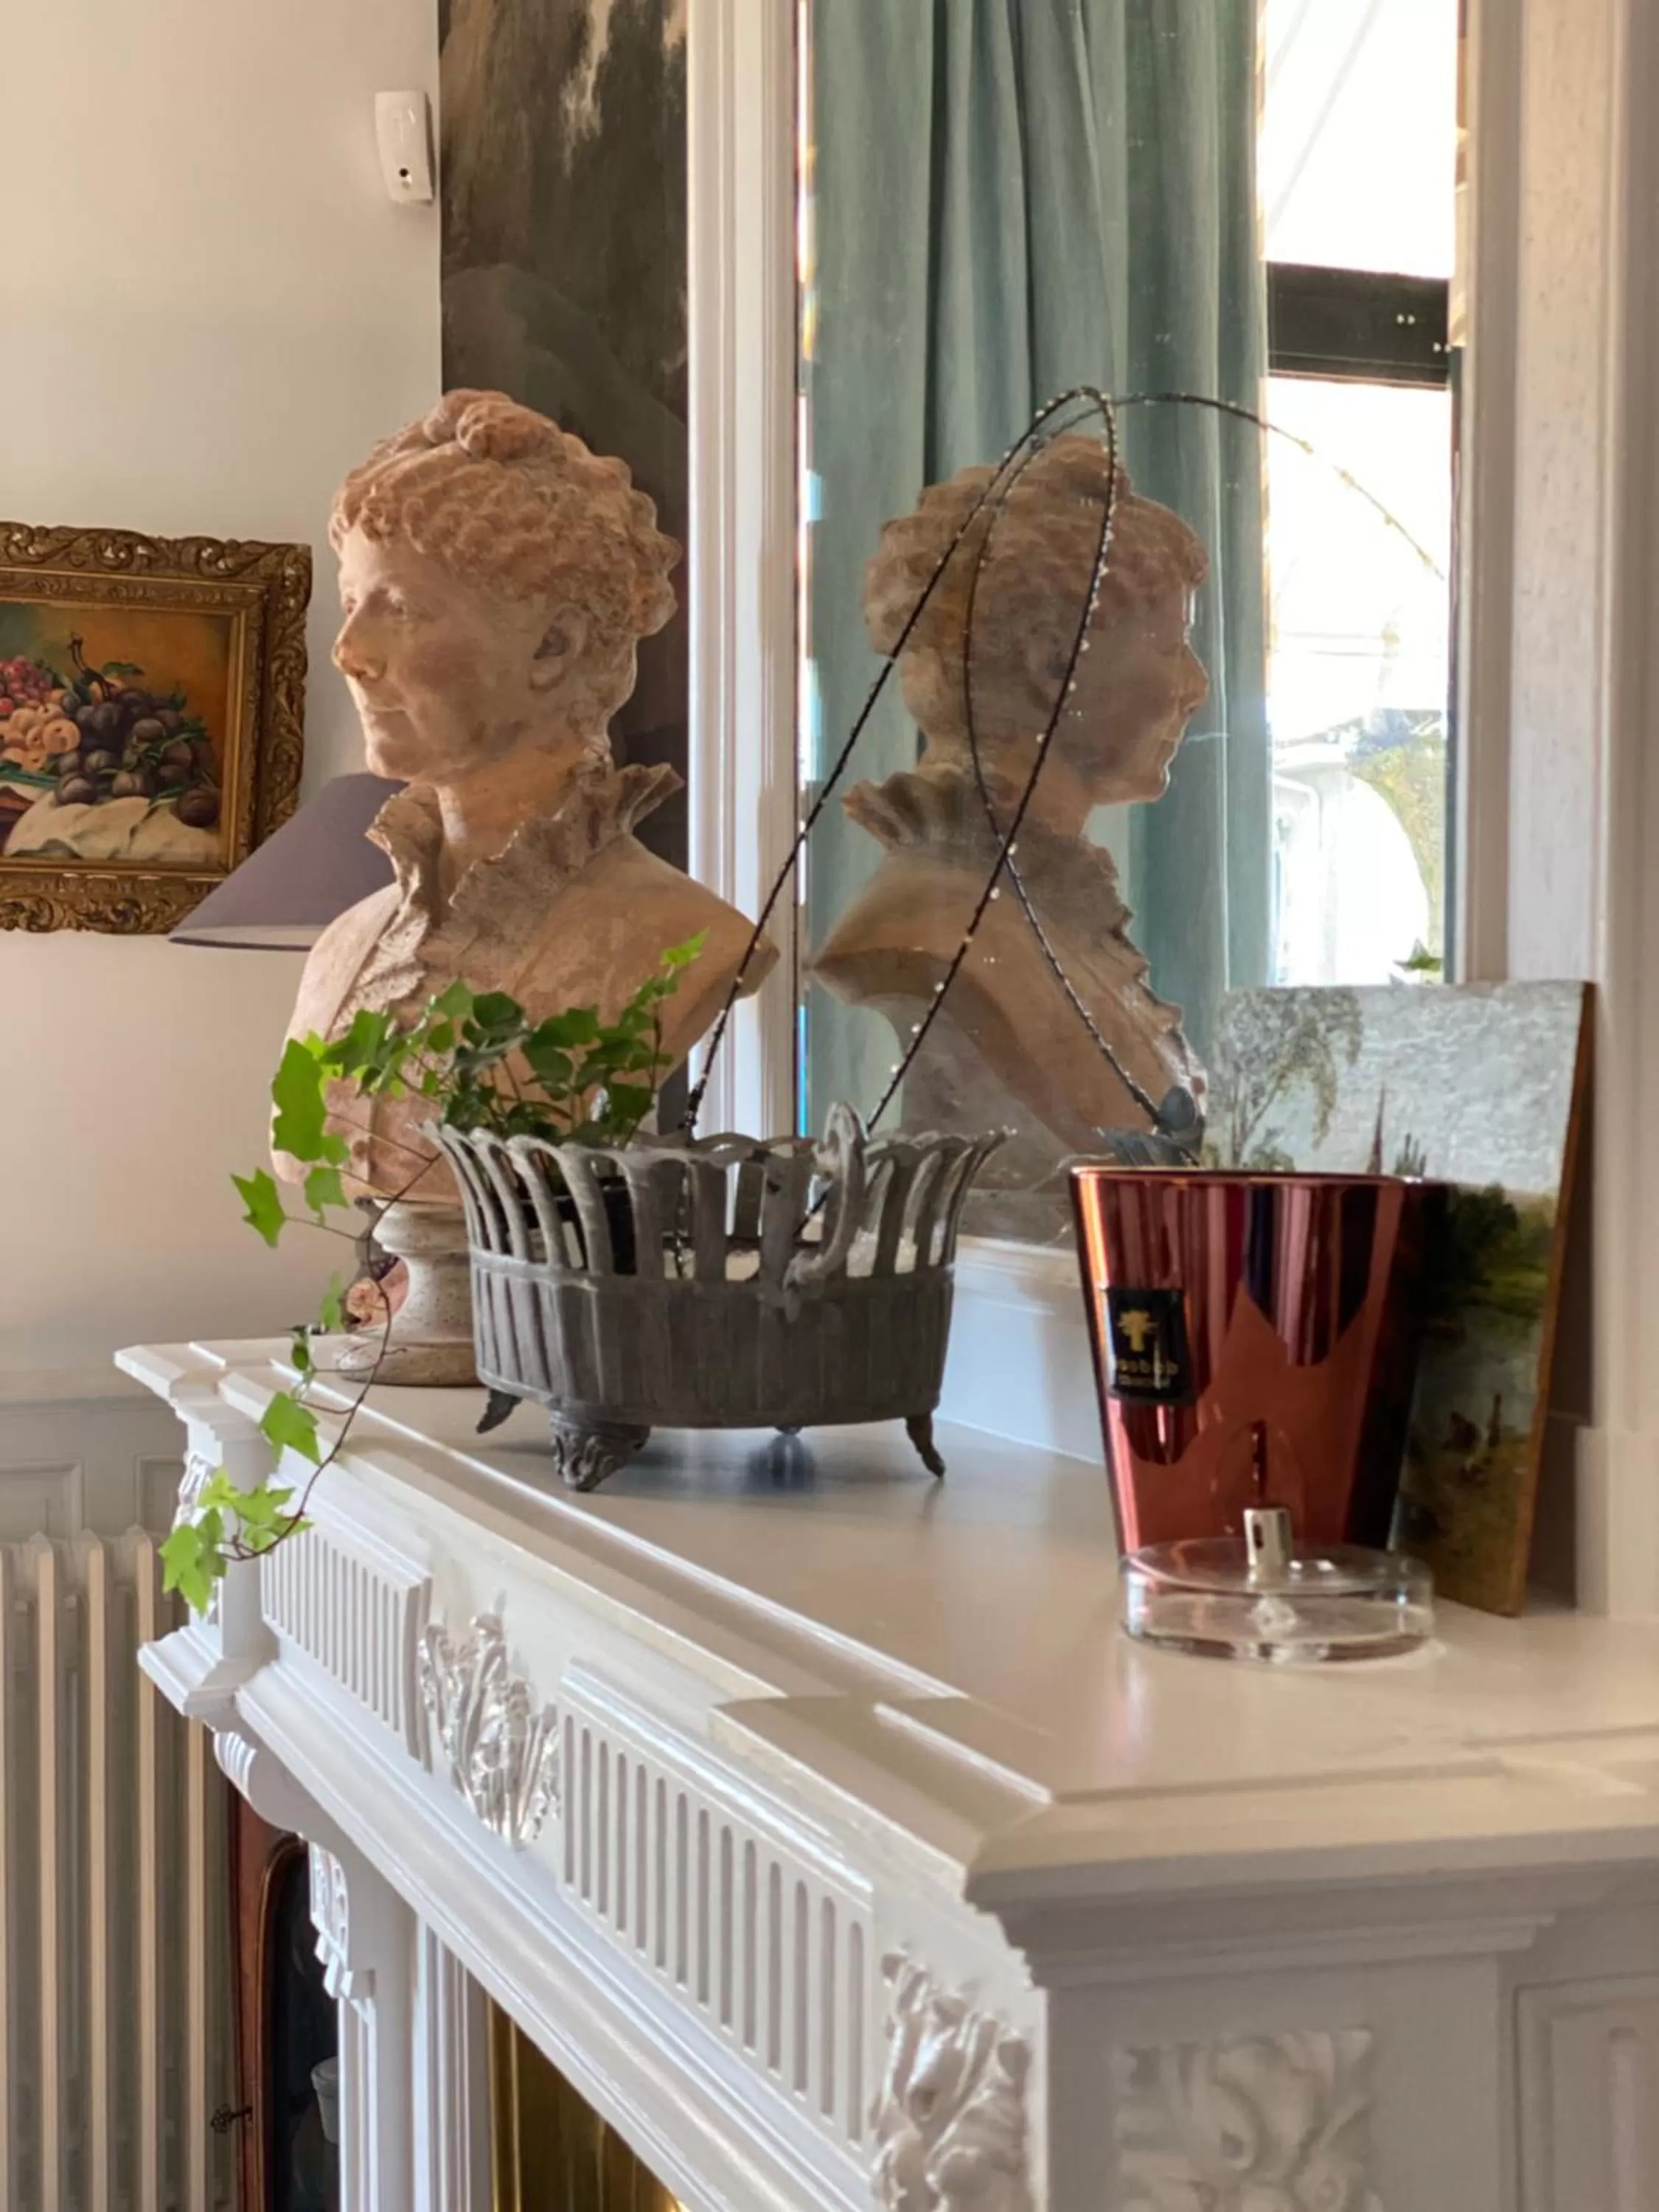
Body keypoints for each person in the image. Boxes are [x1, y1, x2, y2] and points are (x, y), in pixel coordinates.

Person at [287, 389, 774, 1195]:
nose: (349, 651)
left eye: (400, 609)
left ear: (554, 645)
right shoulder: (346, 945)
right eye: (351, 604)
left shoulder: (682, 939)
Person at [812, 437, 1209, 1234]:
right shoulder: (933, 925)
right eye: (1171, 645)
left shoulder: (1048, 912)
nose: (1194, 686)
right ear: (1053, 664)